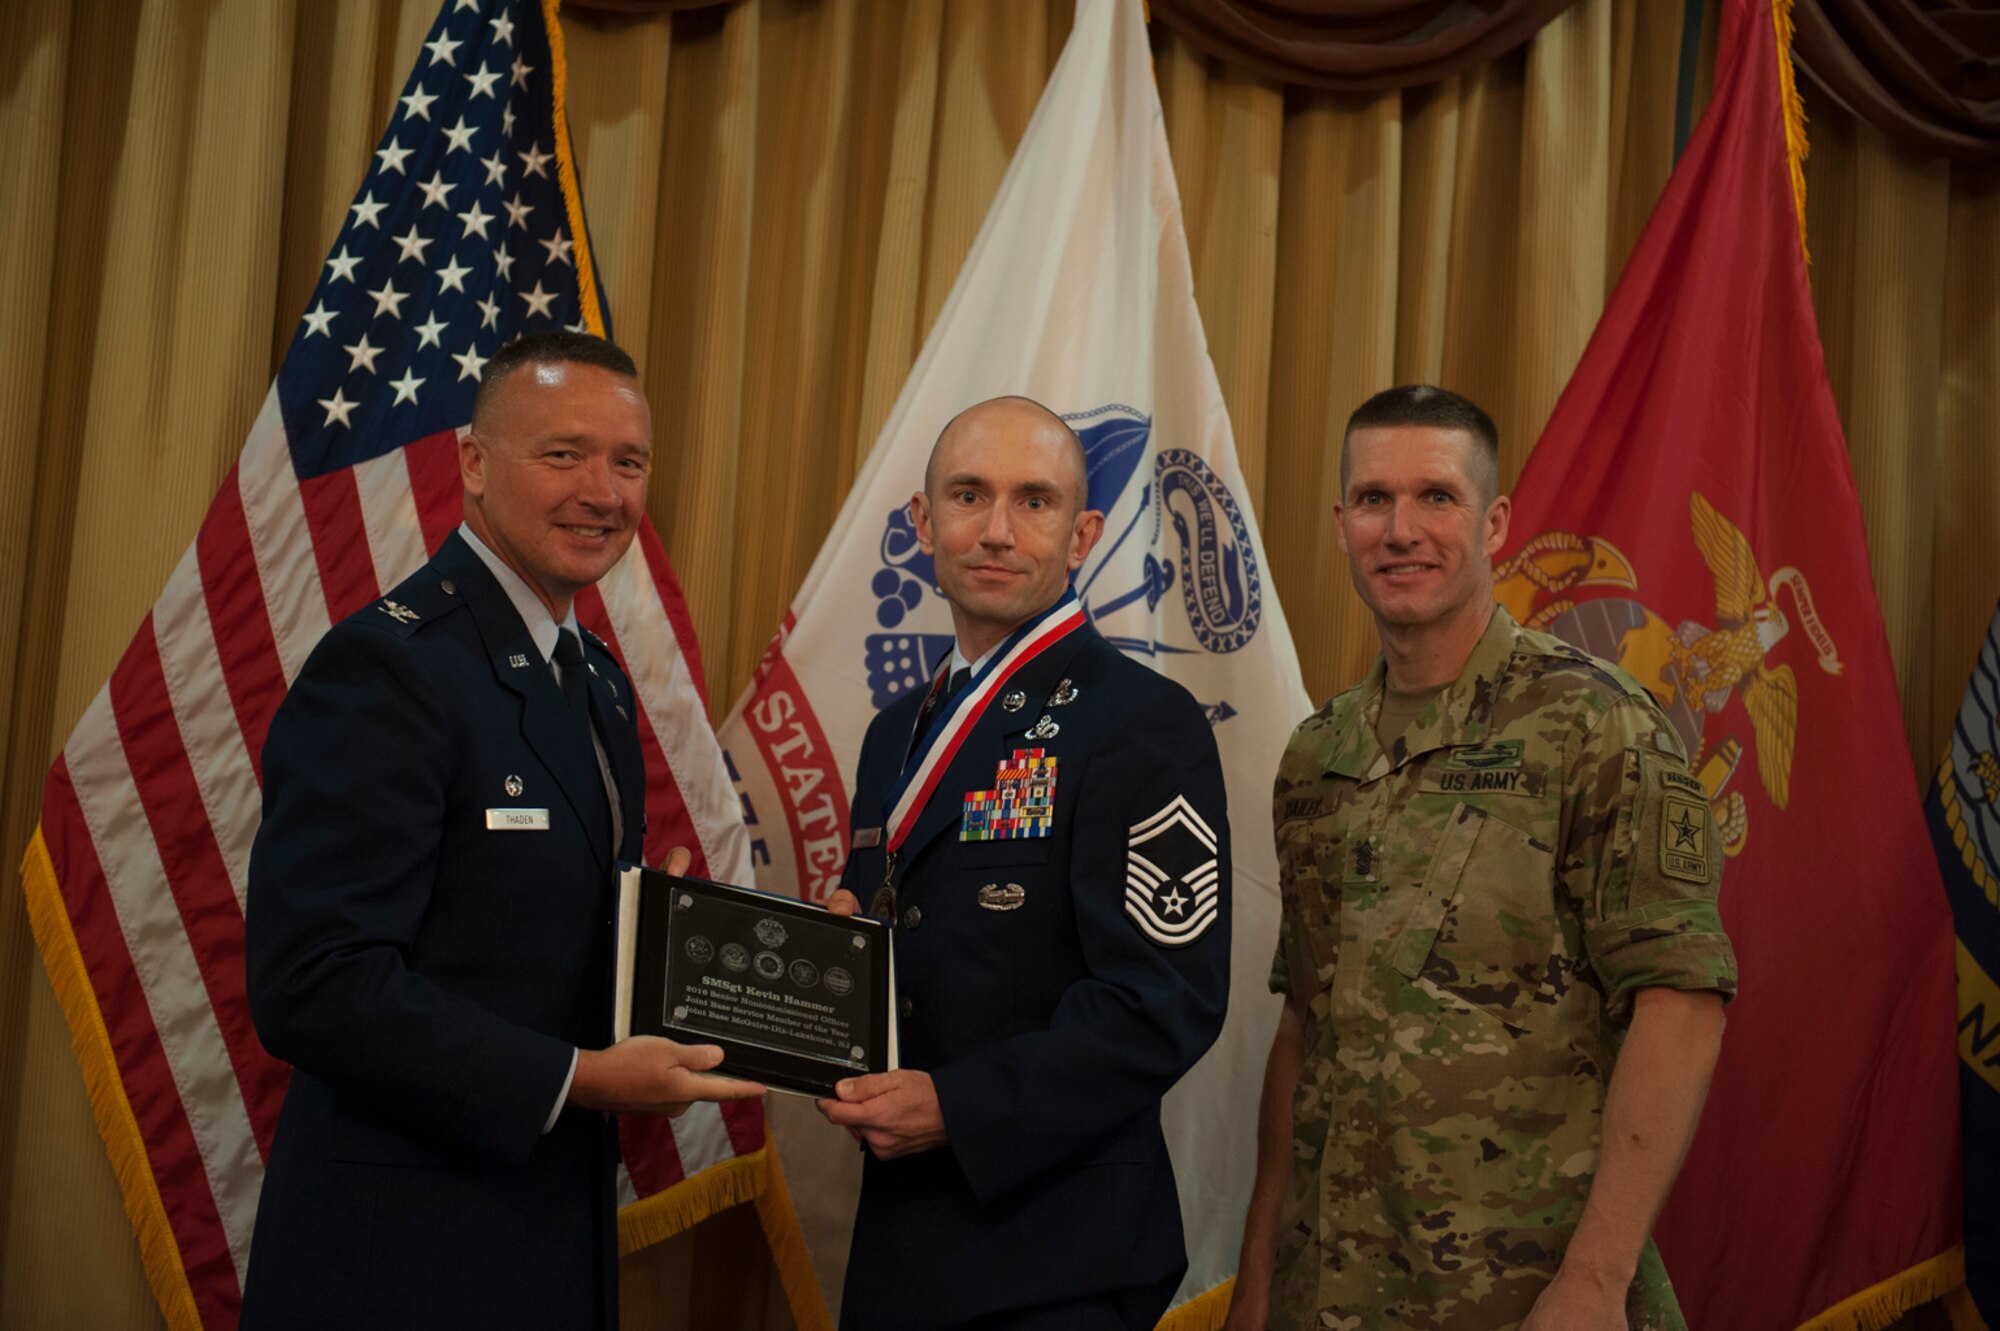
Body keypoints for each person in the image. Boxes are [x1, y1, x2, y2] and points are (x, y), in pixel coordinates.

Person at [241, 331, 761, 1328]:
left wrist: (678, 940)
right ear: (474, 464)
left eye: (629, 462)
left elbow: (532, 930)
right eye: (564, 454)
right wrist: (584, 1078)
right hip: (402, 1258)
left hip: (549, 1234)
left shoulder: (594, 679)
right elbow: (315, 982)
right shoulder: (390, 670)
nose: (603, 493)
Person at [1225, 386, 1737, 1331]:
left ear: (1495, 522)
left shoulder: (1597, 724)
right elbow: (1305, 1024)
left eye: (1437, 496)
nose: (1401, 530)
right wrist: (1258, 1272)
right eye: (1374, 499)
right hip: (1326, 1298)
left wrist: (1595, 1280)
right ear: (1340, 524)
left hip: (1524, 1298)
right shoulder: (1317, 755)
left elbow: (1681, 1003)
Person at [819, 396, 1232, 1329]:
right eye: (969, 495)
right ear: (924, 522)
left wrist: (956, 1107)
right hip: (901, 1241)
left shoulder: (1142, 722)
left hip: (1055, 1255)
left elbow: (1163, 1001)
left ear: (1083, 534)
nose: (997, 530)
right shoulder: (895, 733)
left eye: (1034, 501)